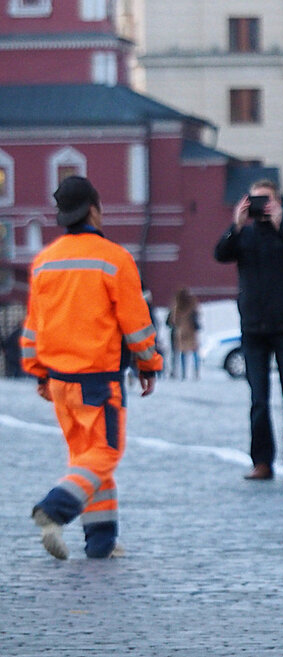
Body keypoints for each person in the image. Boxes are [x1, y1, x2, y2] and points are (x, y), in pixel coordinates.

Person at [21, 176, 162, 559]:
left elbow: (34, 325)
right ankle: (54, 509)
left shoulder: (43, 262)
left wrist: (37, 370)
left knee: (87, 461)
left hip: (59, 382)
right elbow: (136, 322)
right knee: (106, 453)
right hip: (97, 379)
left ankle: (100, 543)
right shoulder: (113, 258)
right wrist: (149, 364)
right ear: (95, 210)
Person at [214, 179, 283, 481]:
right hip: (254, 328)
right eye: (255, 201)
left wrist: (280, 225)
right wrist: (236, 224)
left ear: (278, 202)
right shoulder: (244, 235)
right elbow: (220, 253)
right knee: (258, 400)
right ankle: (262, 462)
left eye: (266, 201)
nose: (261, 207)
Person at [167, 287, 201, 380]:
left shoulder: (176, 306)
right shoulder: (192, 304)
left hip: (181, 332)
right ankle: (196, 372)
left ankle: (183, 373)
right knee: (194, 352)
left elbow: (172, 320)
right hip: (191, 332)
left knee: (182, 353)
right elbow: (197, 316)